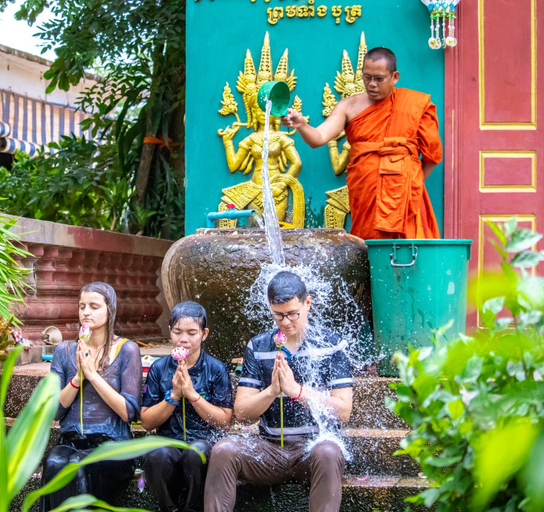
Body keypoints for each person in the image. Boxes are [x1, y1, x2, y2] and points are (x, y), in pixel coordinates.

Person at [204, 271, 353, 512]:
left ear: (307, 303)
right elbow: (242, 412)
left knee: (329, 451)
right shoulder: (259, 345)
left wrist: (297, 391)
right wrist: (272, 391)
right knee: (223, 451)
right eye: (278, 315)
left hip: (312, 448)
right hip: (270, 449)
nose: (285, 322)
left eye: (293, 314)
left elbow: (343, 411)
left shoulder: (331, 345)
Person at [282, 47, 443, 240]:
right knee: (368, 249)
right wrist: (301, 125)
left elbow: (432, 156)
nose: (372, 84)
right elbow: (318, 138)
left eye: (379, 78)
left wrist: (407, 185)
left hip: (407, 197)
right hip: (365, 193)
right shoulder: (347, 106)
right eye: (367, 77)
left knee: (410, 255)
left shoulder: (414, 105)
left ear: (395, 77)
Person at [41, 282, 142, 510]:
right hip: (71, 441)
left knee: (78, 465)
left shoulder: (127, 350)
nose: (86, 312)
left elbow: (129, 412)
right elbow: (54, 412)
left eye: (94, 306)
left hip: (112, 445)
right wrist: (77, 379)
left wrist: (93, 376)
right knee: (54, 462)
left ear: (110, 310)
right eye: (82, 306)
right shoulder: (65, 351)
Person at [141, 301, 233, 512]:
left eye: (192, 333)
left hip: (203, 439)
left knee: (196, 453)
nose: (183, 339)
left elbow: (225, 421)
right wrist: (173, 396)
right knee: (156, 454)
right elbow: (146, 421)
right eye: (177, 332)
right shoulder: (159, 369)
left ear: (204, 334)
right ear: (170, 332)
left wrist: (191, 394)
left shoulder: (216, 369)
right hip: (169, 440)